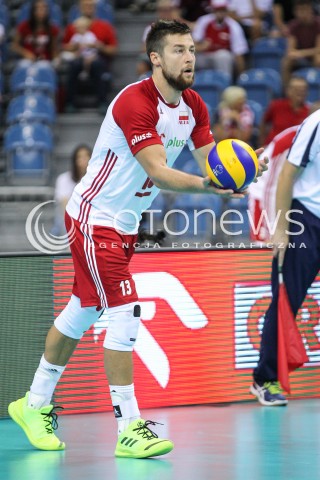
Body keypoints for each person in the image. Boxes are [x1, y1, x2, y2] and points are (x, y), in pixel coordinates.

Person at [8, 20, 268, 458]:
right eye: (179, 50)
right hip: (95, 217)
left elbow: (211, 162)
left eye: (191, 50)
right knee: (125, 309)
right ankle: (129, 427)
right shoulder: (135, 102)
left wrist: (241, 166)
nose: (190, 57)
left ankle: (33, 404)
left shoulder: (196, 106)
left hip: (124, 224)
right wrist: (210, 186)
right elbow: (160, 172)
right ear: (155, 58)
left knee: (83, 309)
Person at [250, 108, 320, 406]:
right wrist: (280, 228)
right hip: (306, 219)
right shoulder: (316, 124)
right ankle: (264, 378)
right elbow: (287, 175)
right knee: (286, 300)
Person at [62, 0, 118, 112]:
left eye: (91, 6)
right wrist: (74, 47)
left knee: (97, 65)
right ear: (80, 8)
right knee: (73, 66)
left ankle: (102, 101)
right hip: (78, 59)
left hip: (97, 59)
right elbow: (64, 46)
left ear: (95, 8)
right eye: (85, 6)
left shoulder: (104, 26)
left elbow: (113, 50)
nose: (88, 8)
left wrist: (100, 46)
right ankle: (70, 103)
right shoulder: (73, 27)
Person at [248, 126, 299, 243]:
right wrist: (272, 228)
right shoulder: (288, 143)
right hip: (263, 195)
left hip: (291, 197)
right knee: (265, 248)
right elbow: (270, 188)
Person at [193, 0, 249, 79]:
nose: (220, 13)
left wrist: (242, 76)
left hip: (225, 58)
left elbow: (239, 53)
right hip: (205, 56)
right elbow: (191, 45)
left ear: (226, 11)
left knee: (223, 56)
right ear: (213, 10)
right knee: (190, 58)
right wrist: (201, 47)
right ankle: (191, 87)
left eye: (223, 10)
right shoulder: (203, 21)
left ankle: (224, 83)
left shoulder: (233, 26)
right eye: (217, 10)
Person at [51, 144, 91, 236]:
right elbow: (64, 207)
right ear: (74, 160)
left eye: (86, 156)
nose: (83, 160)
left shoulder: (97, 180)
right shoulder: (63, 179)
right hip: (68, 220)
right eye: (80, 157)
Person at [259, 75, 310, 146]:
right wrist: (262, 144)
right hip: (273, 148)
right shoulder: (276, 106)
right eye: (296, 89)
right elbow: (264, 123)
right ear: (288, 91)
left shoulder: (310, 111)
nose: (300, 92)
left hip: (295, 150)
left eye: (303, 90)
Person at [282, 0, 320, 85]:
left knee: (318, 59)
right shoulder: (293, 26)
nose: (303, 13)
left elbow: (318, 49)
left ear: (311, 10)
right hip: (301, 58)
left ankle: (317, 87)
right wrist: (297, 54)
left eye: (305, 9)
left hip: (313, 56)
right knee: (287, 60)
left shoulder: (318, 24)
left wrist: (301, 53)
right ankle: (287, 90)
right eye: (299, 10)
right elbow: (290, 51)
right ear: (295, 12)